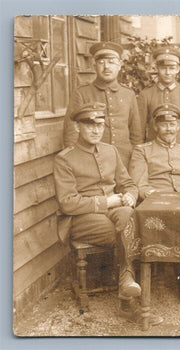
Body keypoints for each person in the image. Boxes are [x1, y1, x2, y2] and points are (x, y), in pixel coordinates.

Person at [54, 103, 161, 326]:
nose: (95, 130)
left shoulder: (110, 151)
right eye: (89, 125)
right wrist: (106, 201)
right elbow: (67, 203)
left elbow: (128, 183)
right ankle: (128, 300)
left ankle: (126, 287)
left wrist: (131, 195)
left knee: (128, 219)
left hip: (114, 210)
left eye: (100, 125)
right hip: (80, 218)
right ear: (77, 126)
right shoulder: (65, 159)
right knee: (128, 231)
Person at [128, 103, 180, 307]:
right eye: (164, 124)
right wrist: (159, 197)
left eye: (172, 124)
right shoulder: (143, 151)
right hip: (158, 204)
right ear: (155, 127)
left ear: (178, 127)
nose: (168, 129)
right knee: (177, 225)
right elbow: (140, 184)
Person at [62, 41, 143, 168]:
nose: (106, 67)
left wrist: (135, 161)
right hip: (91, 161)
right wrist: (76, 162)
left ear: (120, 65)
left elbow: (136, 134)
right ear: (94, 66)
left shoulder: (128, 94)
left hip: (124, 160)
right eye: (101, 62)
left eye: (111, 62)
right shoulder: (81, 93)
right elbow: (71, 132)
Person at [137, 46, 180, 165]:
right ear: (157, 68)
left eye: (172, 68)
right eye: (163, 68)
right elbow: (139, 132)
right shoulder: (146, 94)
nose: (168, 73)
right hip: (154, 157)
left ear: (178, 69)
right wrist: (139, 160)